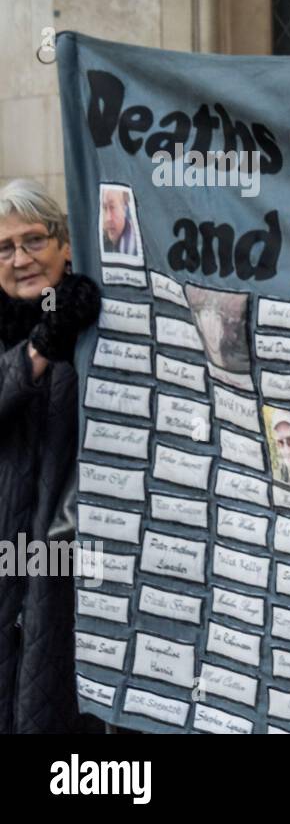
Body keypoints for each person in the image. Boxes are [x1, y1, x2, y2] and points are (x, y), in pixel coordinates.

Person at [0, 179, 103, 733]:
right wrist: (42, 344)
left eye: (34, 240)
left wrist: (65, 328)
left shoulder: (100, 325)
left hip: (73, 564)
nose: (20, 259)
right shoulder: (42, 332)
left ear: (65, 244)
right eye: (5, 248)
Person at [100, 186, 140, 260]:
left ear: (125, 208)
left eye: (112, 207)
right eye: (104, 207)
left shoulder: (132, 245)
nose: (108, 218)